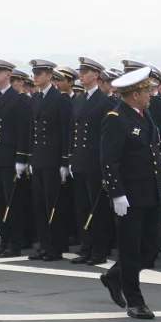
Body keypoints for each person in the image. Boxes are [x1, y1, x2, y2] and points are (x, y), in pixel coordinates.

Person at [99, 66, 161, 319]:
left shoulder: (144, 114)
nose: (150, 94)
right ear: (134, 95)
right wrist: (116, 193)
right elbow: (109, 160)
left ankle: (113, 276)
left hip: (150, 191)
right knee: (130, 249)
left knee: (151, 247)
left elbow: (150, 148)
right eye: (146, 91)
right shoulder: (116, 118)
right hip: (129, 196)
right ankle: (135, 301)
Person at [69, 57, 117, 265]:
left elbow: (107, 137)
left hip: (95, 161)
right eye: (80, 70)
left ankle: (99, 250)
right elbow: (75, 131)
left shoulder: (105, 102)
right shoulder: (79, 100)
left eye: (86, 71)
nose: (81, 74)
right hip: (80, 159)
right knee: (82, 206)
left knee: (98, 209)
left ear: (96, 75)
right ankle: (86, 246)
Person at [0, 58, 32, 257]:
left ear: (8, 75)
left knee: (12, 203)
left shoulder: (18, 99)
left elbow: (23, 130)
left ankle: (15, 243)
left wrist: (21, 158)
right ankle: (4, 240)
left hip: (11, 158)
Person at [27, 59, 71, 262]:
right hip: (39, 159)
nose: (35, 76)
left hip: (53, 159)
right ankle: (44, 245)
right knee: (39, 205)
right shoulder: (35, 99)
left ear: (50, 76)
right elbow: (33, 131)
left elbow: (65, 131)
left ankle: (56, 246)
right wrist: (30, 157)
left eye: (40, 73)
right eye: (35, 73)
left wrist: (64, 161)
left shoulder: (60, 99)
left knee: (54, 205)